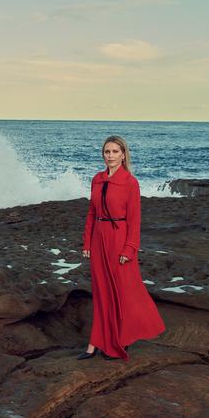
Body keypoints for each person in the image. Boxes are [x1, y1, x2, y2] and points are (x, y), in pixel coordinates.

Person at [76, 135, 165, 361]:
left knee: (123, 292)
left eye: (115, 152)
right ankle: (94, 343)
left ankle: (121, 341)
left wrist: (130, 248)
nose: (110, 156)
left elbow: (134, 220)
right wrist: (87, 242)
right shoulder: (97, 179)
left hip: (119, 239)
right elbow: (91, 213)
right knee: (101, 292)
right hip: (99, 238)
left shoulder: (130, 182)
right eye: (107, 152)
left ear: (123, 155)